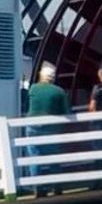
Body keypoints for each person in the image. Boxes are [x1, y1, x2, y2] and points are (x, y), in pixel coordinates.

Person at [24, 62, 70, 195]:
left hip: (32, 127)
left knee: (34, 158)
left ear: (41, 76)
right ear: (53, 78)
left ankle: (38, 188)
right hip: (50, 128)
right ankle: (56, 186)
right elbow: (66, 112)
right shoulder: (59, 91)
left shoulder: (33, 88)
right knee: (53, 157)